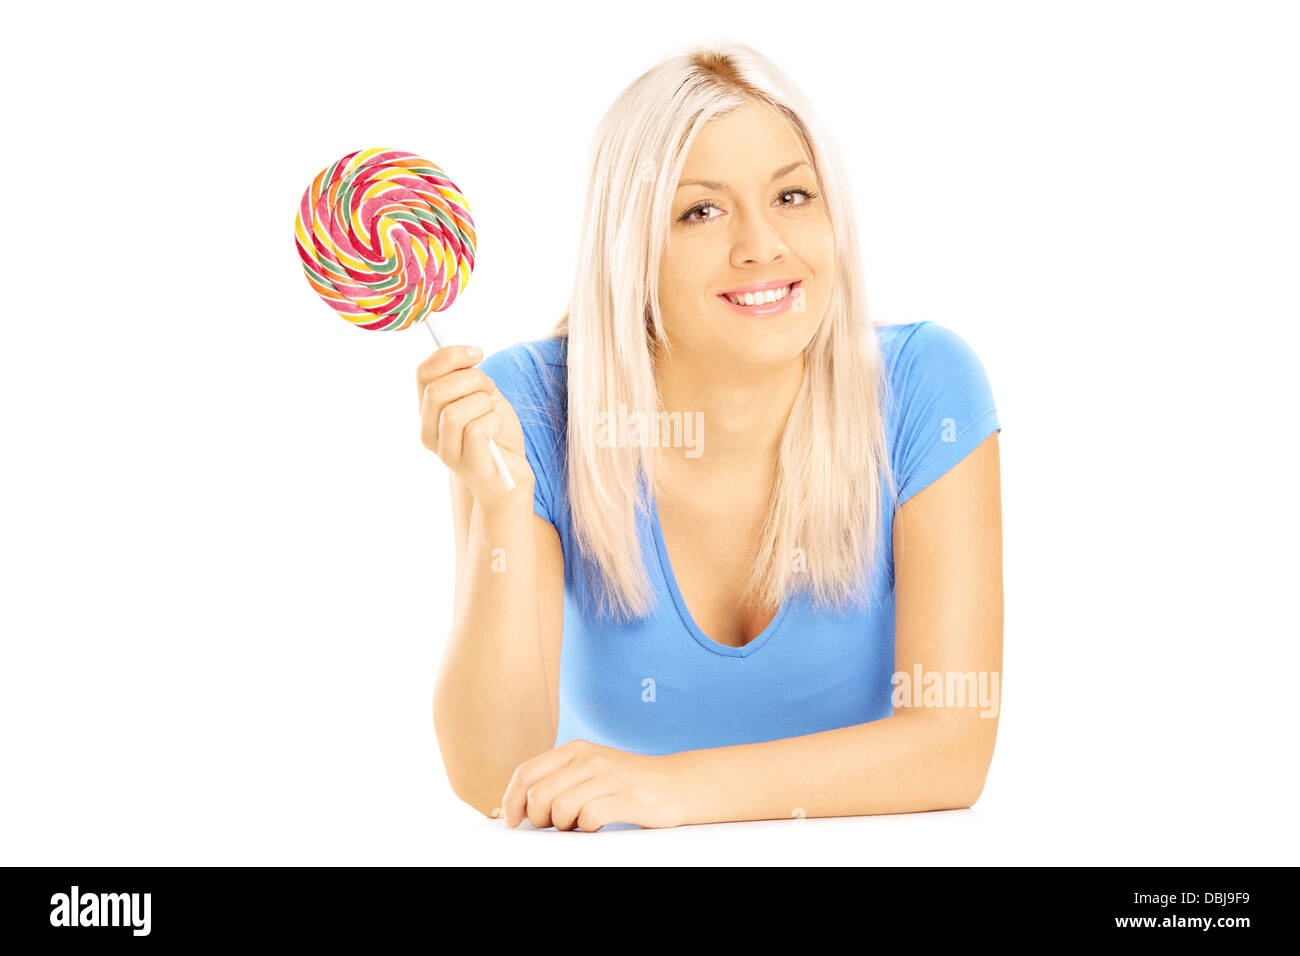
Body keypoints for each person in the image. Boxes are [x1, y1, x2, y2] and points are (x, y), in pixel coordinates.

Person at [421, 42, 1002, 831]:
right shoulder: (530, 405)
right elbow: (495, 774)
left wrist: (677, 789)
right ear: (630, 250)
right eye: (701, 210)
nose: (762, 246)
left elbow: (953, 750)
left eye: (793, 196)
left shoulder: (925, 383)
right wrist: (499, 508)